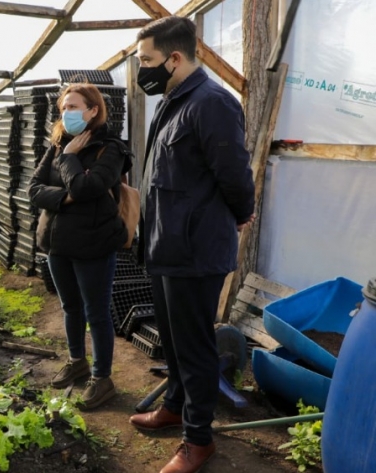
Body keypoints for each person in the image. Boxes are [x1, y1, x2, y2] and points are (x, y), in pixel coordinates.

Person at [128, 16, 256, 473]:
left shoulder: (212, 103)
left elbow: (235, 174)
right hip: (166, 245)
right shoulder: (173, 100)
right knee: (175, 342)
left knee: (196, 347)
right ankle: (175, 406)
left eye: (147, 60)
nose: (142, 68)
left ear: (175, 58)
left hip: (195, 249)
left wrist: (242, 214)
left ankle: (197, 441)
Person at [28, 83, 133, 409]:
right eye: (63, 108)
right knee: (70, 307)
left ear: (93, 110)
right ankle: (77, 361)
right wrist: (65, 196)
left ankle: (102, 379)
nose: (66, 113)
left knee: (97, 313)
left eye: (73, 107)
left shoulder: (111, 148)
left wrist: (72, 160)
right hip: (57, 243)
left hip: (94, 244)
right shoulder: (58, 143)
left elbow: (90, 186)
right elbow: (33, 189)